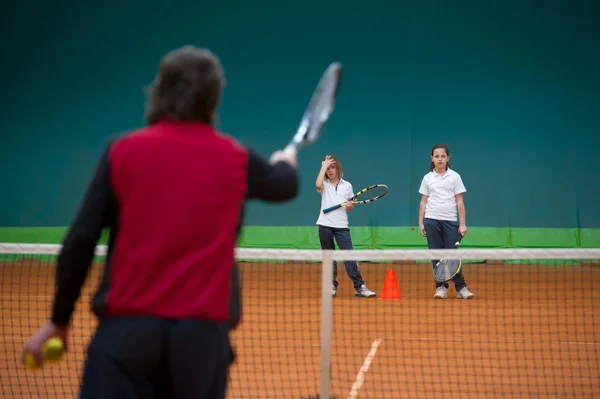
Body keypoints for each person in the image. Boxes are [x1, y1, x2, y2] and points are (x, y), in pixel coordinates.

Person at [20, 45, 299, 399]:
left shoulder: (121, 151)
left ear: (160, 91)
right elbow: (284, 186)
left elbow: (81, 240)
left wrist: (59, 319)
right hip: (201, 342)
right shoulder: (236, 158)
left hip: (126, 337)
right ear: (213, 99)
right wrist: (285, 160)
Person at [316, 154, 376, 298]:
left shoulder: (347, 186)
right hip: (324, 226)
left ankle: (359, 286)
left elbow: (350, 207)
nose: (330, 171)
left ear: (338, 168)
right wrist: (323, 166)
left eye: (332, 167)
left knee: (349, 256)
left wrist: (350, 206)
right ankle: (331, 285)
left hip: (341, 226)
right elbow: (318, 185)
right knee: (329, 257)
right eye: (327, 168)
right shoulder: (324, 184)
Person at [418, 144, 474, 300]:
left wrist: (462, 224)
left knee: (452, 256)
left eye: (443, 156)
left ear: (448, 157)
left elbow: (460, 202)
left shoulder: (455, 177)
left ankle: (461, 287)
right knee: (436, 255)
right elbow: (423, 202)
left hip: (450, 221)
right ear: (432, 158)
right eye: (437, 156)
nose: (440, 159)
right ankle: (440, 287)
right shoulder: (427, 178)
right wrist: (421, 222)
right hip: (431, 220)